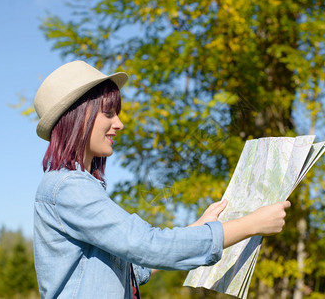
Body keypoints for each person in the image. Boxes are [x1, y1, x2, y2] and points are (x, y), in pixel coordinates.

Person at [33, 60, 291, 298]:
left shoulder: (78, 187)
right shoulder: (68, 187)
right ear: (79, 116)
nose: (120, 123)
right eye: (109, 113)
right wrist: (252, 224)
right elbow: (147, 245)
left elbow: (133, 266)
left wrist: (198, 227)